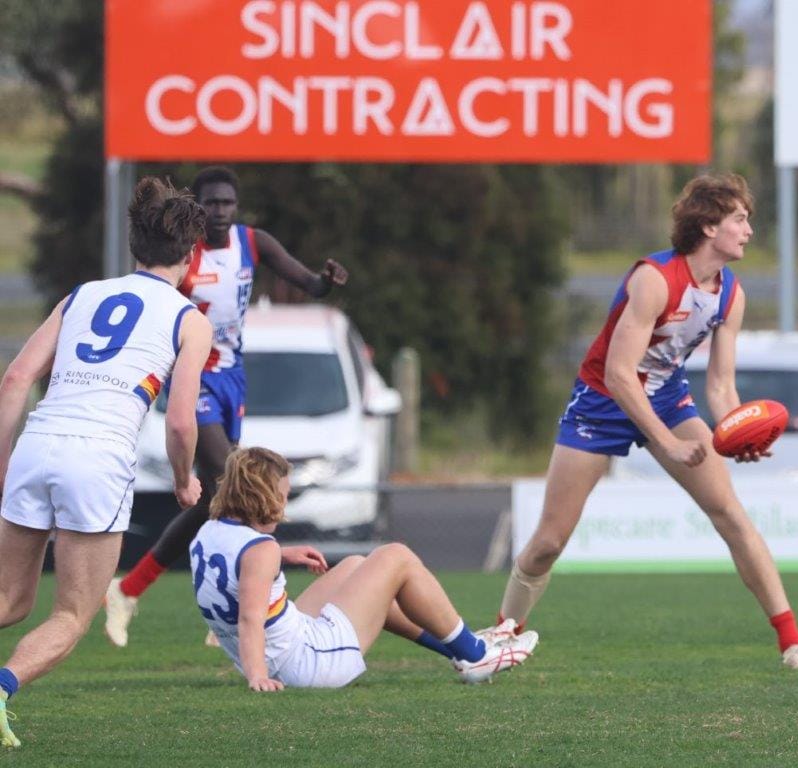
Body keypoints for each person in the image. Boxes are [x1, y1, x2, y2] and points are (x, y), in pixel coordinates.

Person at [494, 173, 798, 671]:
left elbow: (719, 384)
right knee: (548, 543)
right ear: (709, 226)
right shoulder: (653, 278)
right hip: (601, 402)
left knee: (730, 514)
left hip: (669, 398)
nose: (749, 230)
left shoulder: (730, 294)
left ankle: (794, 643)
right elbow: (619, 374)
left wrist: (738, 431)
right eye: (739, 219)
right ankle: (499, 639)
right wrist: (666, 444)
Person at [0, 177, 213, 748]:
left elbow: (17, 379)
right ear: (190, 254)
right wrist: (183, 480)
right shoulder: (189, 319)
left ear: (135, 245)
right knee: (72, 615)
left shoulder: (82, 295)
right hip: (97, 458)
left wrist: (3, 467)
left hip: (38, 442)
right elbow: (179, 421)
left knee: (9, 601)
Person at [105, 166, 349, 648]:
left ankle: (133, 590)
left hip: (234, 377)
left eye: (227, 204)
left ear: (236, 207)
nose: (220, 212)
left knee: (219, 501)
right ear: (198, 207)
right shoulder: (183, 256)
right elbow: (150, 303)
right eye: (211, 203)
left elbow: (306, 283)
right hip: (194, 377)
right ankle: (221, 594)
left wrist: (326, 281)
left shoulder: (252, 242)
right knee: (227, 479)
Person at [193, 446, 538, 690]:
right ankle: (476, 655)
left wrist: (281, 555)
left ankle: (460, 650)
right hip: (304, 664)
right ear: (262, 494)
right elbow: (250, 617)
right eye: (282, 494)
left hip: (279, 650)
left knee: (358, 567)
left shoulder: (209, 533)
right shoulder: (261, 550)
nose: (284, 502)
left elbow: (239, 570)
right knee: (396, 556)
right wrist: (257, 676)